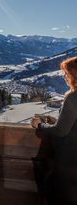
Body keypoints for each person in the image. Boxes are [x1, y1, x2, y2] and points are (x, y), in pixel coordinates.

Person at [31, 56, 77, 204]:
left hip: (68, 162)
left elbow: (61, 131)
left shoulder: (73, 97)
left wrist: (40, 125)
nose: (65, 77)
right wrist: (57, 121)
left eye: (67, 73)